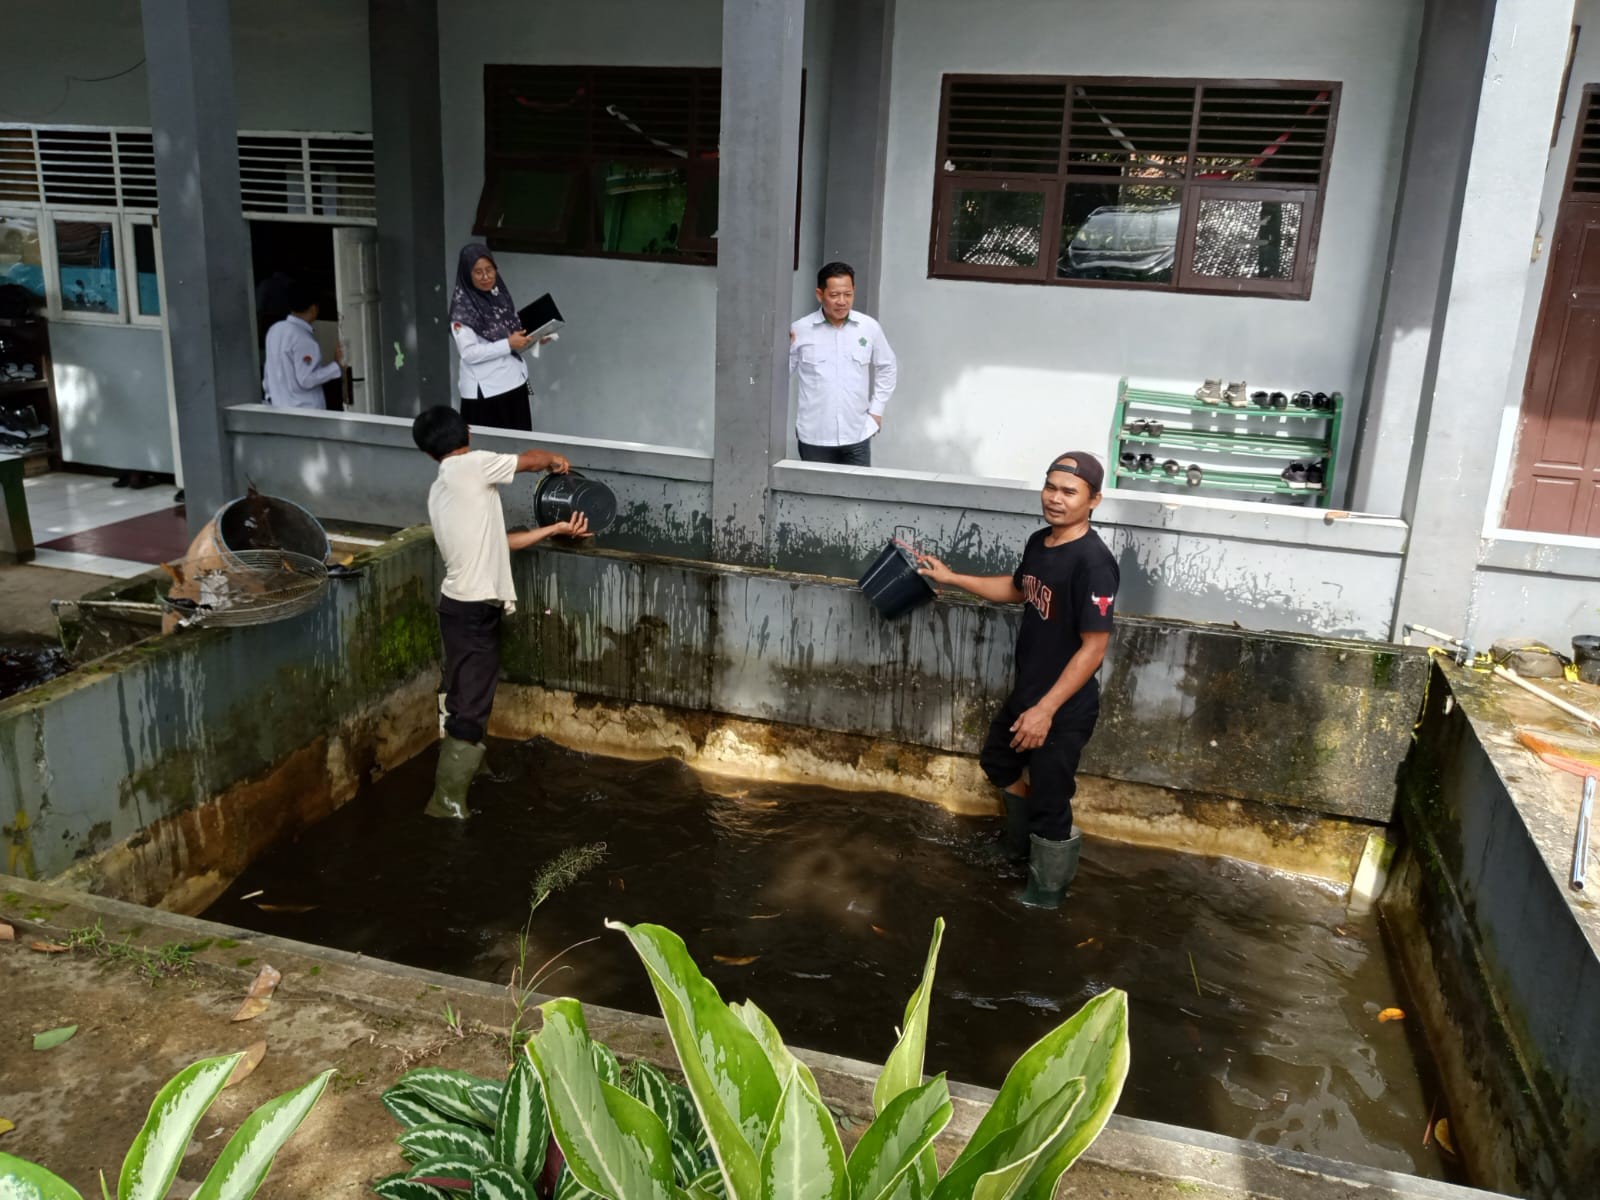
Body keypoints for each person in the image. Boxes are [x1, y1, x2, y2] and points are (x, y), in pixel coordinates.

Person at [916, 451, 1119, 909]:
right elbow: (1017, 587)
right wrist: (953, 577)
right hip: (1028, 693)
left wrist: (1046, 710)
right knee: (998, 760)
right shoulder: (1040, 541)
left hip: (1062, 707)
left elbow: (1094, 647)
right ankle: (1020, 846)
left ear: (1094, 501)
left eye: (1069, 492)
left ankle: (1046, 895)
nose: (1055, 498)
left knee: (1051, 799)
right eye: (1051, 487)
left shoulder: (1094, 563)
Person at [411, 405, 591, 819]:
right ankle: (446, 803)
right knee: (471, 702)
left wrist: (554, 530)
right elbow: (530, 461)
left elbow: (501, 543)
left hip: (460, 606)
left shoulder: (444, 488)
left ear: (427, 453)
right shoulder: (471, 466)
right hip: (472, 608)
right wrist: (555, 460)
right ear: (468, 434)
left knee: (467, 693)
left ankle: (469, 769)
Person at [788, 261, 897, 466]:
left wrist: (876, 412)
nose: (842, 302)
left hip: (857, 434)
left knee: (858, 495)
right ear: (820, 295)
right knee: (816, 495)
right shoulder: (800, 330)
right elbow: (777, 376)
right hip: (814, 437)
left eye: (848, 294)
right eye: (834, 295)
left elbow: (887, 367)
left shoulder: (869, 327)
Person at [449, 242, 553, 431]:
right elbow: (469, 354)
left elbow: (512, 337)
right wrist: (508, 344)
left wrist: (535, 337)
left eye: (490, 269)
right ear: (466, 274)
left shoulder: (499, 296)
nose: (486, 276)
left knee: (518, 452)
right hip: (487, 394)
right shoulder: (462, 311)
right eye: (478, 272)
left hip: (515, 383)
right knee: (491, 454)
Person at [262, 279, 343, 410]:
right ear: (313, 309)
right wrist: (337, 366)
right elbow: (306, 379)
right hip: (304, 413)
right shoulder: (303, 339)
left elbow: (267, 376)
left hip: (278, 409)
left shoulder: (275, 330)